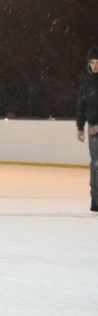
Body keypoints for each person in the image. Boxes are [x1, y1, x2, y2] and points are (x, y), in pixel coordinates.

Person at [76, 46, 98, 212]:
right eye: (92, 63)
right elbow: (81, 104)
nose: (95, 66)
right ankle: (95, 199)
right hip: (92, 129)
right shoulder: (85, 80)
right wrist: (80, 127)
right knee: (96, 164)